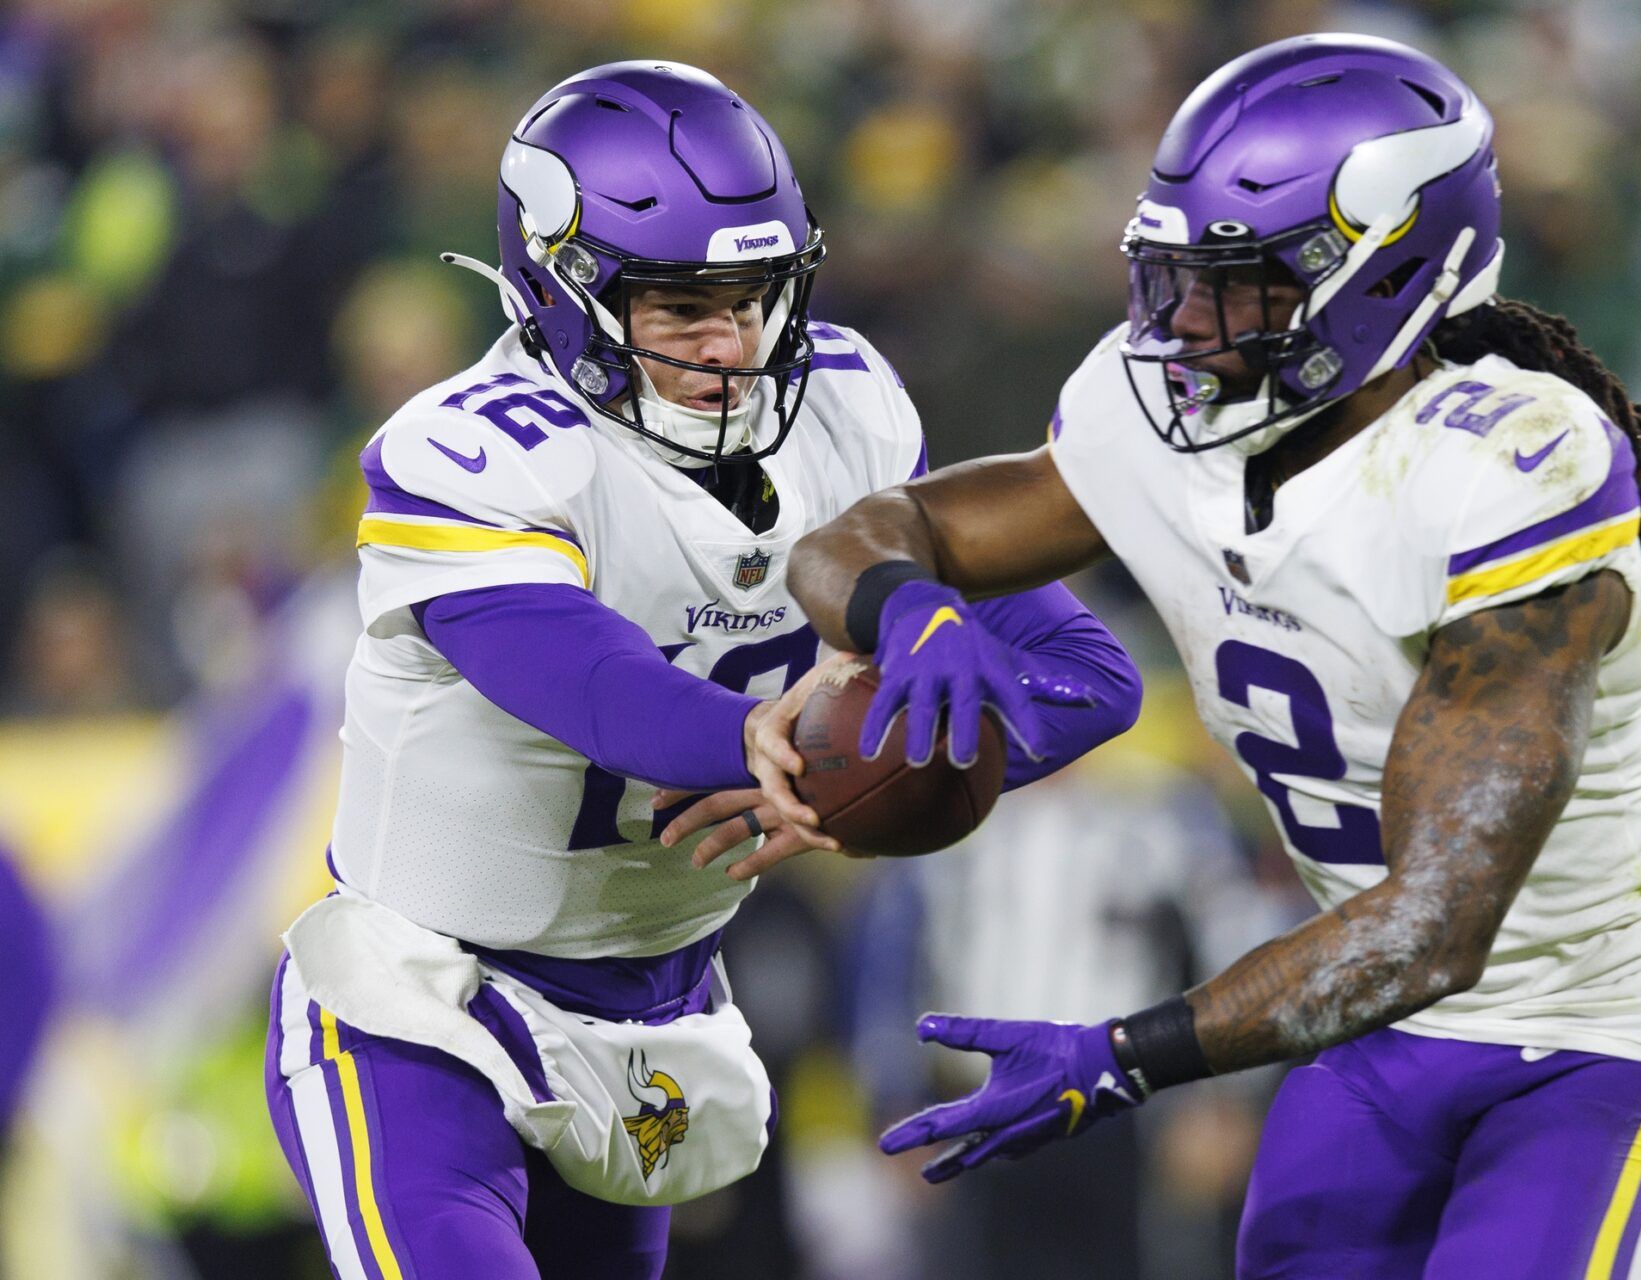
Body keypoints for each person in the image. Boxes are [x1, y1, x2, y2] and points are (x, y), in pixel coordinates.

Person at [758, 35, 1641, 1279]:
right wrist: (904, 610)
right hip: (1379, 1035)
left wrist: (1119, 1057)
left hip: (1604, 1037)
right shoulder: (1153, 415)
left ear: (1391, 273)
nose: (1185, 323)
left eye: (1240, 285)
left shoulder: (1504, 469)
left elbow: (1433, 925)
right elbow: (872, 533)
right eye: (1174, 275)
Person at [262, 61, 1138, 1280]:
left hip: (654, 1021)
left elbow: (1090, 672)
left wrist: (895, 749)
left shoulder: (844, 408)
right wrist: (765, 745)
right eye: (682, 307)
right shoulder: (471, 451)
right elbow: (593, 680)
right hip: (430, 1012)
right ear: (561, 293)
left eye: (755, 296)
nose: (733, 343)